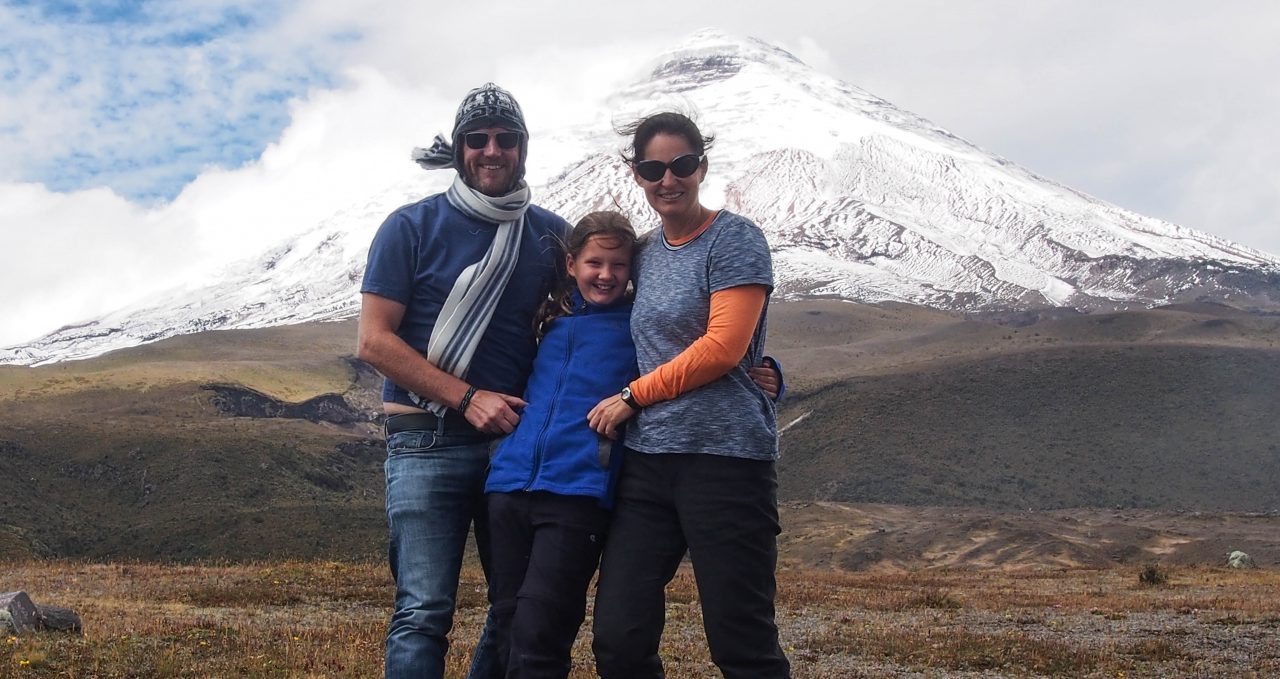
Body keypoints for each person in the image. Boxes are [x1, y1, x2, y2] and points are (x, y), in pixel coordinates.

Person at [357, 82, 569, 679]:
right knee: (424, 610)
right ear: (459, 150)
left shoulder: (551, 234)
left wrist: (744, 363)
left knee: (514, 608)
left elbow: (597, 313)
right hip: (425, 439)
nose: (491, 150)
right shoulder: (410, 227)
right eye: (477, 140)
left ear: (524, 148)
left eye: (506, 139)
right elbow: (374, 340)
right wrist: (466, 397)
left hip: (514, 444)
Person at [588, 112, 791, 678]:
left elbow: (724, 347)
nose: (667, 179)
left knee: (740, 641)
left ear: (701, 166)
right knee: (618, 636)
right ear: (637, 173)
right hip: (649, 464)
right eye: (653, 167)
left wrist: (631, 396)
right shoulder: (644, 253)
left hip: (725, 462)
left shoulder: (735, 239)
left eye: (680, 165)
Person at [484, 211, 638, 678]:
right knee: (508, 624)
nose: (606, 275)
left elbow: (699, 360)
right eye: (595, 262)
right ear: (571, 263)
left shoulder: (640, 324)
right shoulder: (548, 318)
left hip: (577, 493)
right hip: (508, 489)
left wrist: (767, 375)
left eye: (618, 265)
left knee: (540, 632)